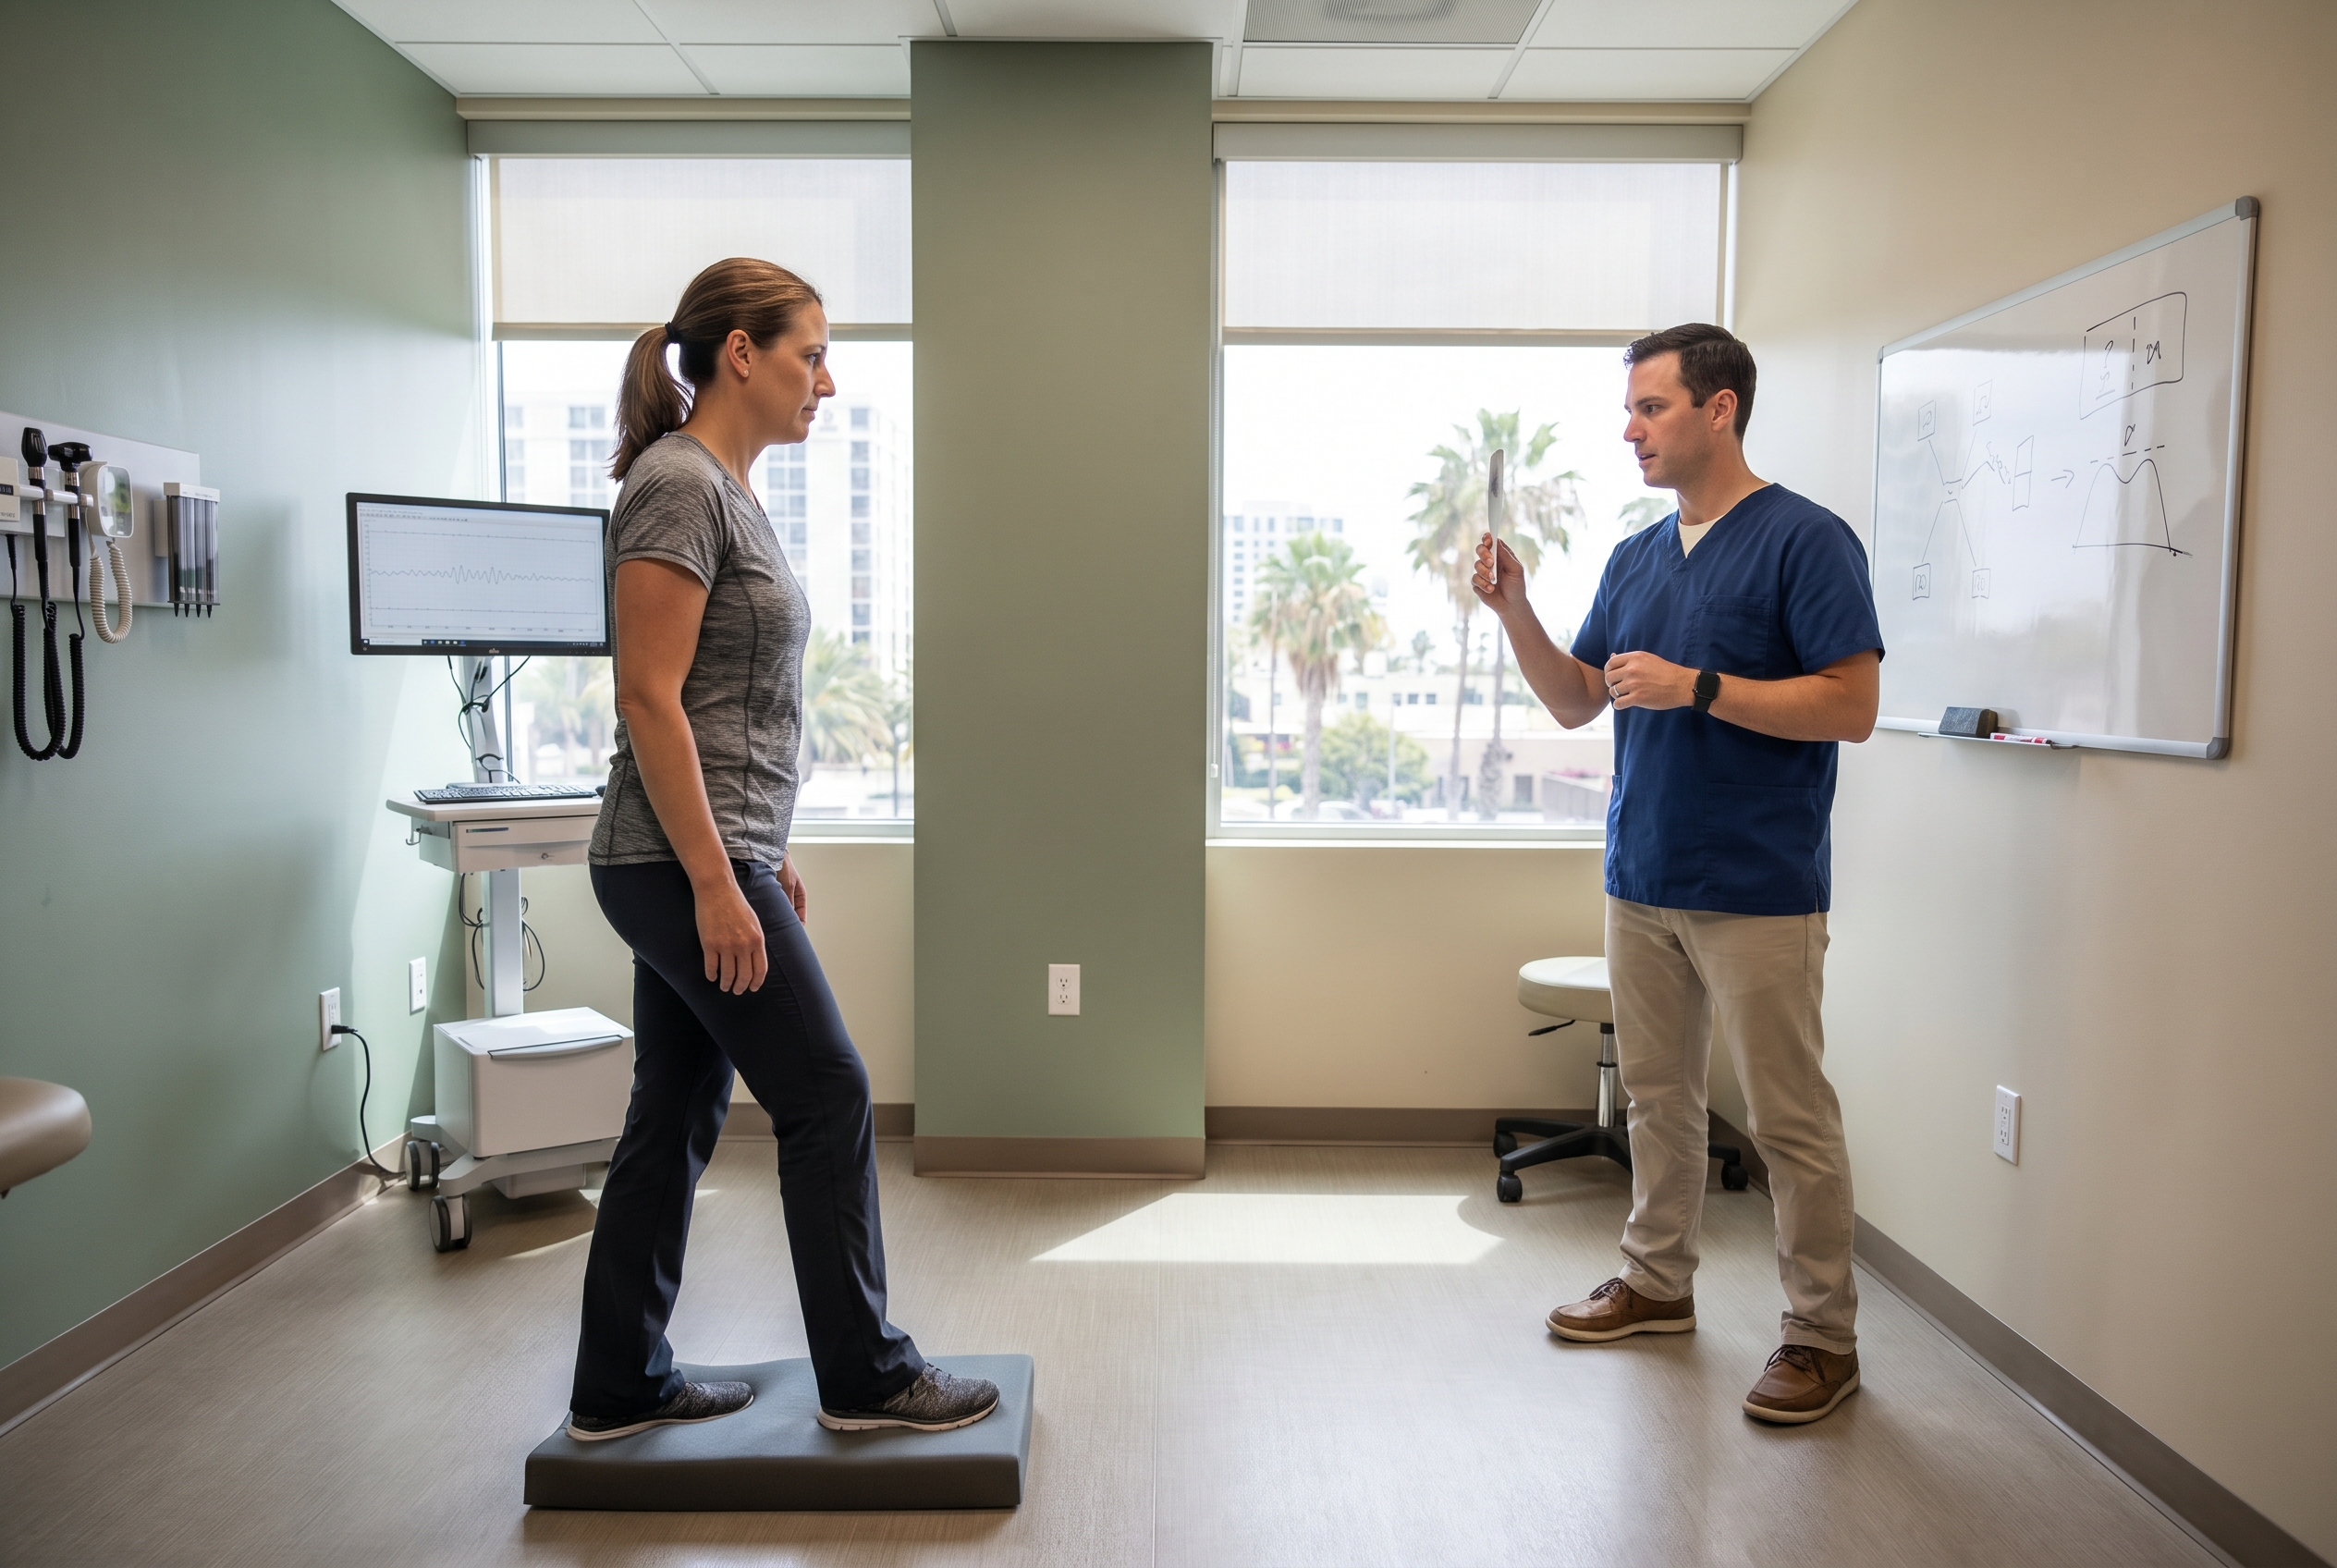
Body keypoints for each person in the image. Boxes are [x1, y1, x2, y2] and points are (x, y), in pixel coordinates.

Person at [564, 257, 995, 1441]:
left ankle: (616, 1384)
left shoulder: (725, 490)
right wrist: (715, 875)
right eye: (810, 353)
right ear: (740, 354)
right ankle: (864, 1377)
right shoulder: (674, 485)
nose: (828, 381)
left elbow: (726, 705)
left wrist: (762, 845)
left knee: (677, 1108)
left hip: (705, 851)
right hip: (669, 861)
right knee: (827, 1093)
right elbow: (648, 699)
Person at [1474, 323, 1882, 1425]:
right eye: (1629, 408)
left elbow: (1850, 705)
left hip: (1757, 883)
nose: (1629, 428)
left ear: (1719, 409)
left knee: (1787, 1118)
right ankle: (1656, 1284)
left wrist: (1699, 685)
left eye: (1650, 406)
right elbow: (1574, 699)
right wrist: (1515, 608)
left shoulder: (1805, 540)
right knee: (1659, 1100)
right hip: (1640, 872)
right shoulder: (1636, 556)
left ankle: (1818, 1337)